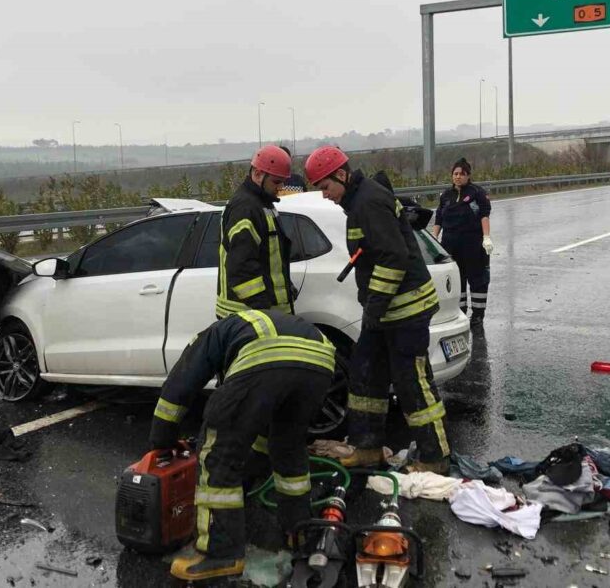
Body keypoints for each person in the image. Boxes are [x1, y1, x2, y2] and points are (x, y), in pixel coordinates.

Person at [148, 310, 336, 581]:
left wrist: (161, 440)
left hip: (266, 356)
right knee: (288, 446)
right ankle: (299, 529)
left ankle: (221, 553)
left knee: (217, 451)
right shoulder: (245, 326)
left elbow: (179, 387)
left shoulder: (208, 338)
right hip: (321, 360)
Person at [304, 145, 450, 474]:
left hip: (405, 311)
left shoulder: (368, 201)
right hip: (384, 314)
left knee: (412, 383)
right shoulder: (358, 202)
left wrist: (375, 305)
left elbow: (393, 257)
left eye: (325, 187)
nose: (325, 195)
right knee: (366, 375)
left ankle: (434, 457)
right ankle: (367, 448)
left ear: (341, 175)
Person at [216, 145, 294, 319]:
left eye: (282, 181)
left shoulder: (263, 203)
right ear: (258, 174)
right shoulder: (245, 208)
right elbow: (241, 268)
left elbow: (270, 258)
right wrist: (264, 309)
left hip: (258, 314)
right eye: (276, 181)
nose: (280, 187)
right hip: (248, 315)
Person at [433, 158, 493, 326]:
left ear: (468, 176)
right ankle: (460, 312)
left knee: (478, 279)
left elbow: (484, 215)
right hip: (451, 246)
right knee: (456, 279)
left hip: (473, 245)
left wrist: (486, 237)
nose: (458, 177)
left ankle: (478, 314)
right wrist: (434, 238)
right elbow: (439, 219)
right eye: (455, 174)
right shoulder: (446, 196)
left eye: (462, 174)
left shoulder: (476, 193)